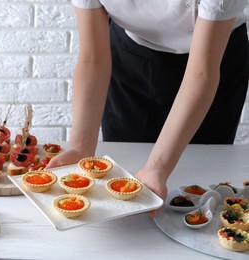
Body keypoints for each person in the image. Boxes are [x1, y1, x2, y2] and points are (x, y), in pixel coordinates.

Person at [46, 0, 249, 216]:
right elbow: (92, 59)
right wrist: (80, 147)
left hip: (213, 59)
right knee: (128, 185)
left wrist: (157, 168)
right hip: (131, 60)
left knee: (202, 186)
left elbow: (201, 73)